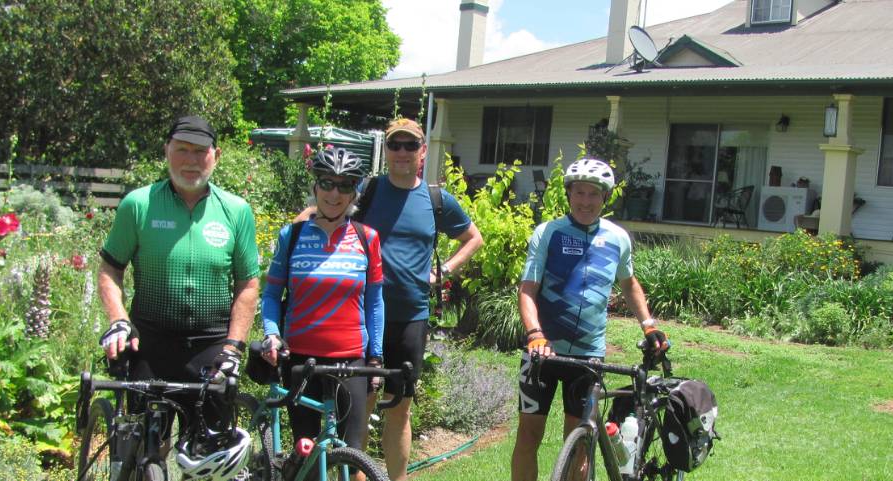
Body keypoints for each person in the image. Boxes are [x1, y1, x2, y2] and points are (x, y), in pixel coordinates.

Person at [299, 118, 483, 481]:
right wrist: (296, 235)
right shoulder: (367, 190)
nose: (401, 152)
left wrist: (442, 271)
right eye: (395, 145)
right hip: (361, 317)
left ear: (422, 151)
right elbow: (321, 211)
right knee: (358, 410)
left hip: (410, 318)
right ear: (386, 150)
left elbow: (473, 238)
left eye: (409, 145)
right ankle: (358, 476)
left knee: (400, 411)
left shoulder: (436, 199)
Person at [96, 115, 260, 459]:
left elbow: (247, 284)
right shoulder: (138, 204)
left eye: (200, 152)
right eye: (182, 150)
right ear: (166, 151)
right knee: (141, 453)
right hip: (150, 345)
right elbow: (111, 268)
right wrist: (118, 320)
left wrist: (234, 347)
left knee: (207, 461)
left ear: (215, 155)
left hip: (210, 349)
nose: (190, 160)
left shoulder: (236, 210)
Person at [510, 157, 668, 481]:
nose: (586, 201)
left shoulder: (617, 238)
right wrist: (535, 334)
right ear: (569, 195)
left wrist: (648, 324)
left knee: (582, 442)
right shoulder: (548, 233)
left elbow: (629, 283)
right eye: (579, 193)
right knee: (528, 436)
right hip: (543, 351)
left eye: (593, 194)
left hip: (588, 355)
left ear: (605, 198)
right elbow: (527, 290)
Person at [260, 147, 384, 466]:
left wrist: (376, 355)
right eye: (327, 183)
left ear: (354, 192)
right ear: (315, 186)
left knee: (351, 453)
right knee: (307, 456)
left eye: (345, 186)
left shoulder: (367, 238)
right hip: (301, 359)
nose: (334, 193)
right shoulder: (293, 235)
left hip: (351, 359)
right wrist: (272, 335)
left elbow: (374, 302)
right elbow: (272, 295)